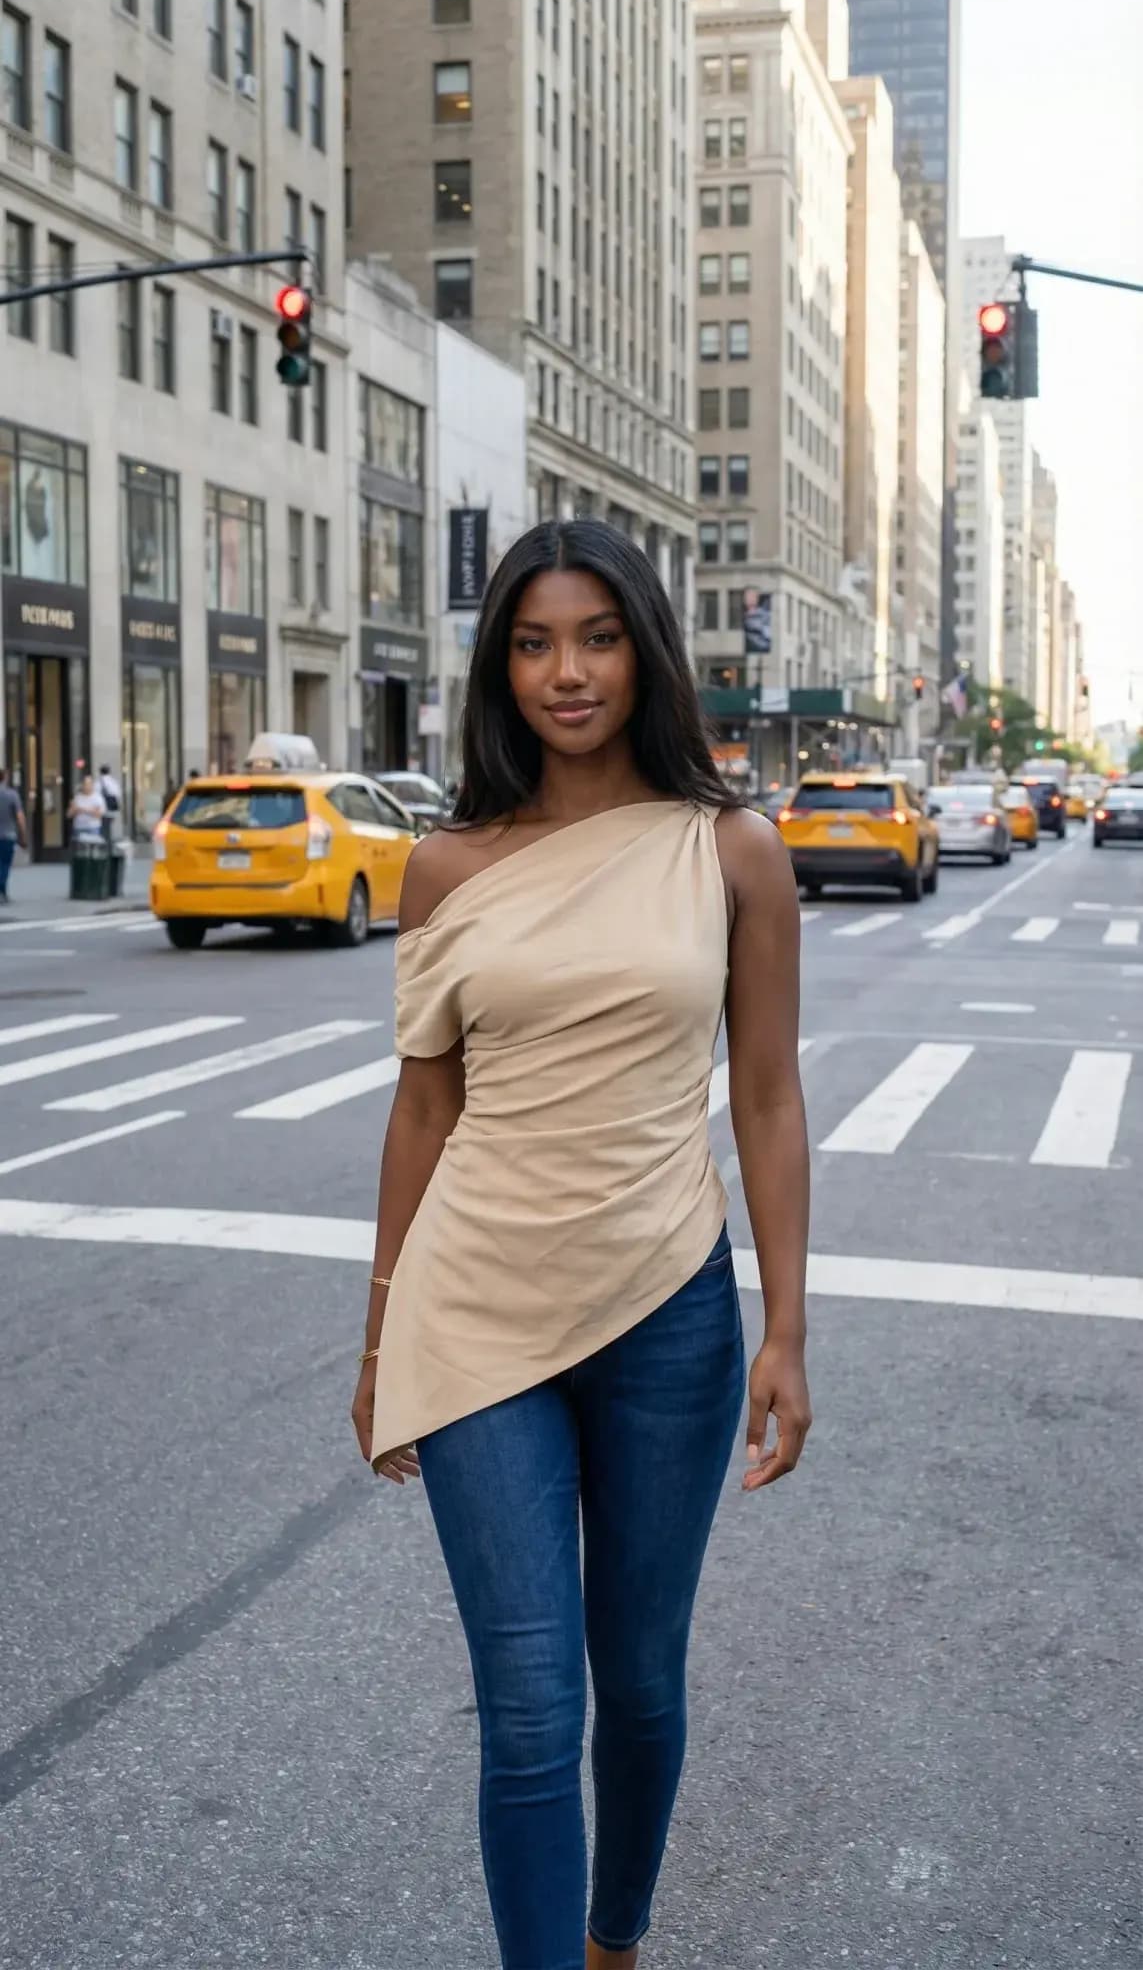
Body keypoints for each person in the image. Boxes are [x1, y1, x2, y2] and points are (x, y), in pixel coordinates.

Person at [351, 520, 812, 1970]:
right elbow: (424, 1109)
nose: (567, 672)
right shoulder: (444, 867)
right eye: (535, 642)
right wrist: (377, 1336)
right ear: (498, 666)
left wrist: (786, 1331)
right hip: (473, 1309)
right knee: (531, 1705)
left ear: (645, 652)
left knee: (642, 1684)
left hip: (668, 1310)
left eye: (598, 638)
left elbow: (767, 1096)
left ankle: (615, 1940)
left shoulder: (731, 850)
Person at [0, 768, 27, 902]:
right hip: (8, 835)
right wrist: (23, 835)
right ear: (5, 778)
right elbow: (20, 817)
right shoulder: (12, 795)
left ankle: (2, 891)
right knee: (5, 864)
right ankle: (2, 890)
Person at [67, 774, 106, 848]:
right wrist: (75, 810)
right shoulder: (77, 797)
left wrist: (83, 809)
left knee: (92, 851)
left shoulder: (98, 798)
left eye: (89, 784)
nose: (87, 786)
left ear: (92, 785)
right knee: (80, 851)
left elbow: (100, 815)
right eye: (85, 784)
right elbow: (69, 815)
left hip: (93, 828)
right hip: (79, 828)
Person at [98, 763, 121, 851]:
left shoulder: (99, 782)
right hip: (111, 808)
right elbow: (118, 795)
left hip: (102, 808)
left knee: (103, 827)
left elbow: (96, 794)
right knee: (109, 826)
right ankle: (109, 845)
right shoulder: (113, 782)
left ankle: (104, 844)